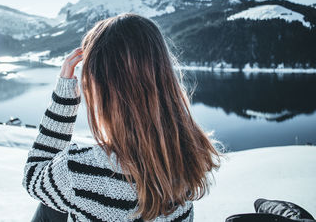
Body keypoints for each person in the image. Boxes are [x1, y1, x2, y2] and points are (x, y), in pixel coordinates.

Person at [22, 13, 221, 221]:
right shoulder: (187, 159)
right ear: (164, 78)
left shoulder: (78, 172)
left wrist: (64, 97)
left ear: (100, 88)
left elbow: (33, 174)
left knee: (50, 206)